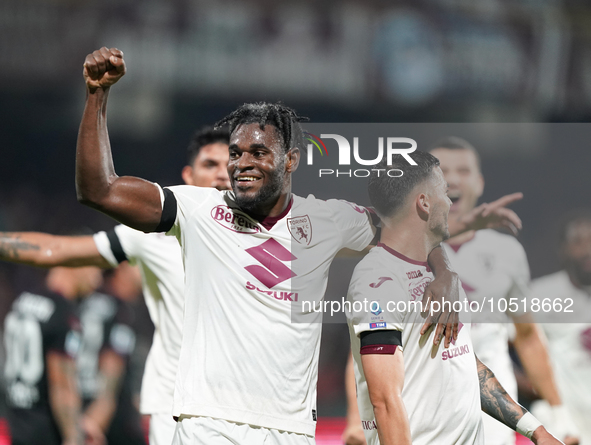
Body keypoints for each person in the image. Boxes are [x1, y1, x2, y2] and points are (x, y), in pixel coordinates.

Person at [75, 47, 487, 445]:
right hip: (208, 423)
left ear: (290, 160)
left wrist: (445, 272)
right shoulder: (196, 208)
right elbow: (100, 191)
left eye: (258, 152)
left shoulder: (330, 219)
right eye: (235, 153)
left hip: (290, 429)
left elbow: (412, 225)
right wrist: (98, 95)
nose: (241, 164)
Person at [0, 124, 231, 445]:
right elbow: (57, 248)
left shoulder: (263, 235)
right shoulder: (154, 236)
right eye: (211, 164)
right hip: (175, 408)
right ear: (188, 176)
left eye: (229, 165)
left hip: (242, 409)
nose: (222, 174)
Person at [346, 154, 561, 445]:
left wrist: (536, 430)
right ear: (424, 203)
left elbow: (464, 363)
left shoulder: (440, 276)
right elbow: (384, 401)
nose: (450, 204)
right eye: (444, 193)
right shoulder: (377, 282)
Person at [429, 137, 576, 445]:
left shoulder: (507, 251)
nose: (453, 179)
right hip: (424, 405)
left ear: (480, 183)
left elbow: (527, 336)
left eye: (463, 171)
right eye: (443, 171)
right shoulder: (404, 251)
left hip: (494, 414)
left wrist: (557, 410)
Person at [530, 211, 591, 444]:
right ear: (563, 249)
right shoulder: (541, 294)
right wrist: (540, 388)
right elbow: (508, 346)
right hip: (565, 420)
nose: (587, 249)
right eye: (578, 241)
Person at [4, 269, 85, 445]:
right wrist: (74, 435)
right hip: (46, 430)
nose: (99, 275)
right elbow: (63, 386)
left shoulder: (20, 301)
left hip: (16, 423)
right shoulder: (63, 310)